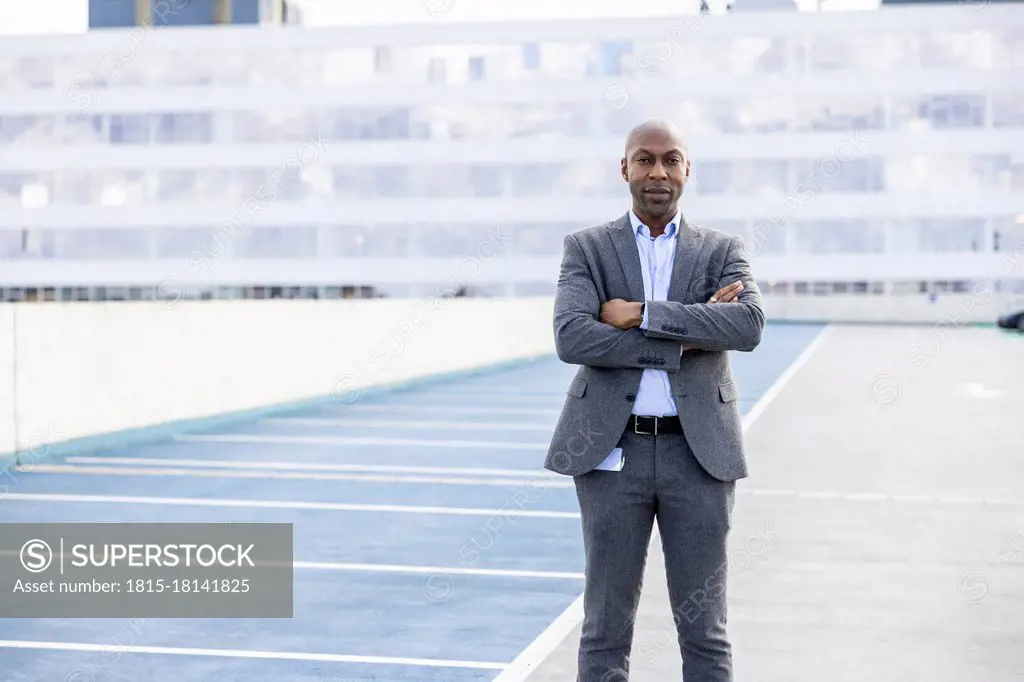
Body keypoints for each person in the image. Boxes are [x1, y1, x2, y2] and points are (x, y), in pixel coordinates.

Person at [545, 118, 764, 681]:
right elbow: (573, 336)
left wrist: (641, 314)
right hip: (611, 455)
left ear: (688, 169)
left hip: (700, 456)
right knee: (605, 626)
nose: (658, 171)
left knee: (704, 630)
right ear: (625, 169)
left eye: (671, 159)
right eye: (644, 159)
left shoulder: (721, 251)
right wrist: (692, 332)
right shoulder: (587, 249)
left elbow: (746, 326)